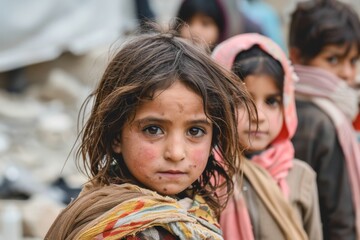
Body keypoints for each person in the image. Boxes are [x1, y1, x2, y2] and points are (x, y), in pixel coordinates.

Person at [44, 26, 256, 239]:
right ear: (116, 134)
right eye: (153, 130)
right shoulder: (113, 227)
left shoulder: (195, 212)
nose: (175, 153)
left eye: (195, 131)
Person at [212, 33, 322, 239]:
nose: (258, 117)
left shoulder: (300, 177)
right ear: (217, 103)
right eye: (243, 100)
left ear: (286, 105)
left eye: (271, 101)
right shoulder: (206, 175)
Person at [288, 0, 360, 239]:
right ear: (296, 56)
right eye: (333, 59)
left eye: (353, 61)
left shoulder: (284, 106)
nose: (347, 73)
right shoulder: (322, 123)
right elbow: (339, 215)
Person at [175, 0, 263, 50]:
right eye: (188, 23)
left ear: (220, 28)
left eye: (205, 24)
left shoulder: (231, 68)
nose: (195, 31)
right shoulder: (171, 65)